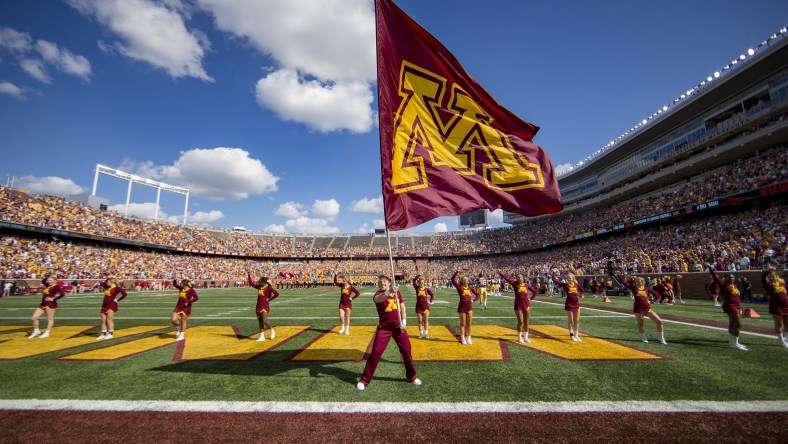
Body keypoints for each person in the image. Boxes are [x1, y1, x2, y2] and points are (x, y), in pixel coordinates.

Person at [356, 275, 420, 391]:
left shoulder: (397, 293)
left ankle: (412, 376)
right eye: (380, 282)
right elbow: (378, 300)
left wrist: (404, 323)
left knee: (406, 351)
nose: (382, 283)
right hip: (384, 328)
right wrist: (389, 291)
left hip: (398, 327)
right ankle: (364, 379)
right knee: (376, 352)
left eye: (384, 281)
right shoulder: (377, 294)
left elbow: (403, 308)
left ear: (390, 283)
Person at [616, 274, 667, 344]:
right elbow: (624, 282)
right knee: (640, 323)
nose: (637, 283)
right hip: (638, 309)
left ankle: (661, 338)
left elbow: (658, 295)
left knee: (659, 321)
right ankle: (643, 337)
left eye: (639, 281)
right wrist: (618, 275)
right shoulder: (633, 288)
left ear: (642, 282)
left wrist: (652, 301)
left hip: (647, 308)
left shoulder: (647, 289)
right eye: (636, 281)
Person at [708, 266, 747, 351]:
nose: (732, 278)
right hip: (730, 306)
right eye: (730, 277)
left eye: (733, 277)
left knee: (733, 324)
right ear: (726, 278)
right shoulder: (723, 285)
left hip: (736, 306)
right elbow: (715, 277)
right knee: (738, 325)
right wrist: (710, 268)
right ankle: (735, 343)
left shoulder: (734, 286)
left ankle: (732, 342)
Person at [499, 271, 538, 343]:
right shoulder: (515, 284)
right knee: (520, 321)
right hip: (518, 305)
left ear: (523, 278)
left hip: (526, 304)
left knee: (526, 321)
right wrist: (500, 273)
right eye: (518, 277)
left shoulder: (527, 285)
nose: (520, 278)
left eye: (521, 277)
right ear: (516, 279)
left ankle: (526, 337)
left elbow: (535, 292)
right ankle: (519, 337)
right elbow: (506, 278)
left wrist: (531, 298)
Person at [551, 269, 584, 342]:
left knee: (577, 321)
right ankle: (571, 335)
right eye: (567, 277)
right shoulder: (565, 285)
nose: (568, 278)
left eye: (570, 277)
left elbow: (582, 291)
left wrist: (579, 295)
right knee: (571, 320)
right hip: (569, 304)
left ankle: (576, 335)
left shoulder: (576, 285)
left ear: (573, 278)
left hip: (576, 304)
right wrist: (553, 272)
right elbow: (554, 280)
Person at [761, 265, 788, 348]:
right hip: (776, 307)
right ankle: (781, 341)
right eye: (770, 276)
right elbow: (763, 278)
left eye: (774, 275)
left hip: (786, 306)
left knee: (787, 323)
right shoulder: (768, 285)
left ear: (777, 276)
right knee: (779, 324)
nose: (773, 277)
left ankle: (786, 339)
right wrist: (768, 271)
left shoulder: (782, 284)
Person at [248, 273, 280, 342]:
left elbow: (277, 294)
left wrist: (269, 299)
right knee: (260, 321)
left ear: (263, 282)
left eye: (259, 281)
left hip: (265, 306)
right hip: (258, 305)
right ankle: (262, 336)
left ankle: (272, 330)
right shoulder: (259, 287)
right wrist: (249, 275)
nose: (258, 282)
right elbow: (251, 283)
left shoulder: (268, 287)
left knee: (265, 320)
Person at [451, 271, 480, 344]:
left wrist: (473, 300)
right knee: (462, 324)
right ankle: (463, 338)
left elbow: (478, 295)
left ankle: (469, 338)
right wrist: (456, 272)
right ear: (461, 281)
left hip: (469, 307)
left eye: (467, 280)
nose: (466, 281)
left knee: (469, 324)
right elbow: (452, 279)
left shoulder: (470, 288)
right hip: (462, 307)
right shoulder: (459, 287)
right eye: (464, 280)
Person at [412, 274, 435, 339]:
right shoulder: (417, 288)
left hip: (425, 307)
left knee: (426, 321)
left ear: (424, 283)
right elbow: (414, 281)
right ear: (418, 283)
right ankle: (421, 333)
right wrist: (418, 275)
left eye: (422, 282)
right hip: (418, 307)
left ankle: (426, 333)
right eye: (420, 282)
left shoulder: (427, 289)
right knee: (420, 321)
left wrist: (430, 301)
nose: (421, 283)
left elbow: (432, 295)